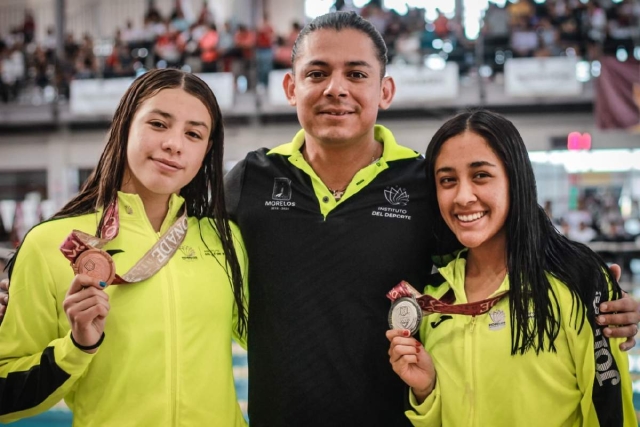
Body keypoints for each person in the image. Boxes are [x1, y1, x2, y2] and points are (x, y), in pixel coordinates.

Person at [224, 12, 640, 427]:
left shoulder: (423, 185)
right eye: (317, 73)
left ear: (384, 90)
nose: (336, 88)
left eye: (356, 74)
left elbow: (504, 241)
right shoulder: (250, 179)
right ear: (290, 87)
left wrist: (598, 292)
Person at [0, 69, 248, 426]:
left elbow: (278, 341)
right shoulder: (47, 245)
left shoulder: (227, 241)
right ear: (125, 125)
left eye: (193, 134)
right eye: (159, 124)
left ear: (206, 151)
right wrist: (77, 346)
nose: (174, 144)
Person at [386, 110, 635, 426]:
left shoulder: (578, 281)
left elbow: (611, 412)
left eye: (481, 175)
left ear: (514, 179)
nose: (463, 197)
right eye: (447, 180)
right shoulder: (434, 297)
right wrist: (427, 392)